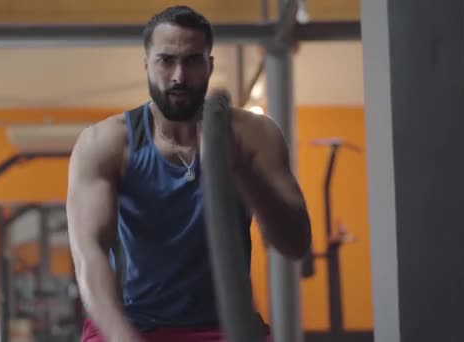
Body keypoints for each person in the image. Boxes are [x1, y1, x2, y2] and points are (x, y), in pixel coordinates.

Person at [66, 5, 312, 342]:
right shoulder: (106, 143)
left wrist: (239, 169)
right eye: (166, 60)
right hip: (127, 325)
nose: (179, 75)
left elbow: (295, 244)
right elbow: (89, 259)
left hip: (223, 325)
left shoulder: (253, 134)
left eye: (192, 60)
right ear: (147, 65)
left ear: (209, 65)